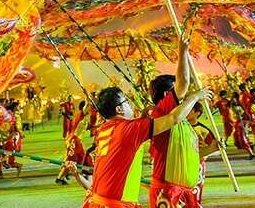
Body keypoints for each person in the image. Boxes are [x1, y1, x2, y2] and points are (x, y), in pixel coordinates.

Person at [67, 84, 212, 208]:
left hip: (97, 201)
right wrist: (194, 97)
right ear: (119, 109)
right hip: (116, 204)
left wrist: (142, 117)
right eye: (126, 102)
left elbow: (123, 139)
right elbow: (173, 118)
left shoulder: (104, 128)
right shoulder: (129, 129)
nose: (130, 104)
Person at [148, 37, 204, 208]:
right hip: (168, 190)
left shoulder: (181, 118)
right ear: (167, 95)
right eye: (175, 88)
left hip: (183, 190)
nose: (184, 93)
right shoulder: (162, 111)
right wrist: (183, 51)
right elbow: (184, 82)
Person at [187, 102, 220, 205]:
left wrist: (208, 149)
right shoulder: (180, 127)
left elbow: (218, 150)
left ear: (197, 113)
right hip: (182, 164)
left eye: (190, 109)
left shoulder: (203, 130)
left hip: (197, 166)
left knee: (194, 193)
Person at [230, 94, 255, 159]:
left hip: (241, 122)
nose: (232, 100)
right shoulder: (233, 106)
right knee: (237, 137)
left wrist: (247, 121)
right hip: (238, 123)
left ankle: (251, 153)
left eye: (234, 98)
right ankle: (250, 146)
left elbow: (244, 113)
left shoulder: (239, 106)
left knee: (242, 138)